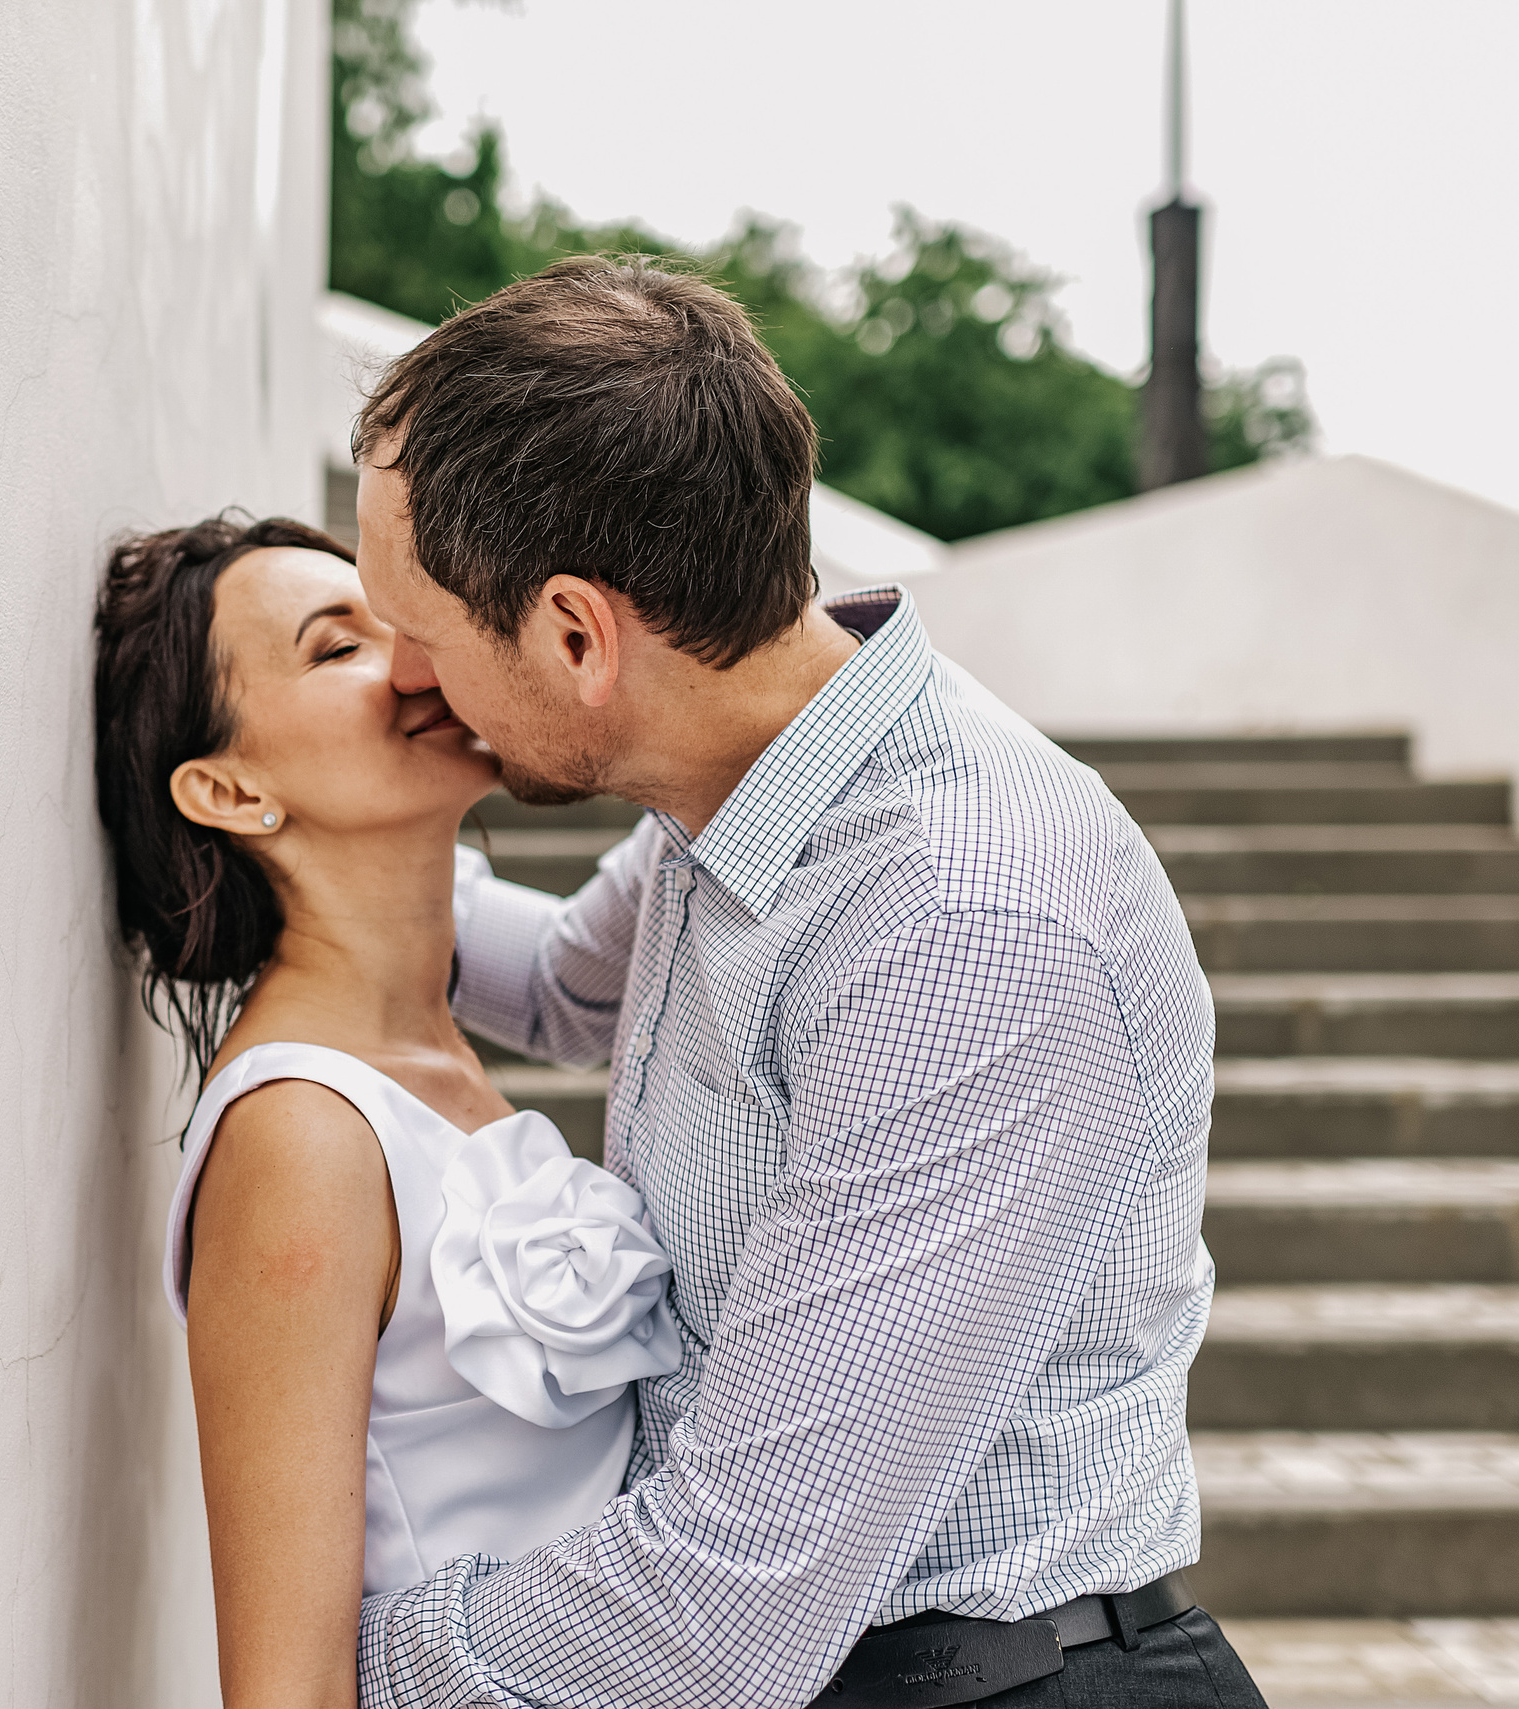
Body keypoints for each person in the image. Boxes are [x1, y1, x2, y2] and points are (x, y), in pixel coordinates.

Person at [338, 257, 1267, 1708]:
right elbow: (569, 988)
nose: (401, 677)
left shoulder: (962, 925)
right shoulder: (748, 769)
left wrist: (326, 1667)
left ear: (578, 635)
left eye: (422, 631)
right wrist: (316, 838)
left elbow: (733, 1590)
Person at [94, 515, 685, 1709]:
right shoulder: (300, 1132)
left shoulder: (436, 1055)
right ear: (229, 788)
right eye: (336, 648)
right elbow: (286, 1687)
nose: (414, 663)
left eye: (403, 624)